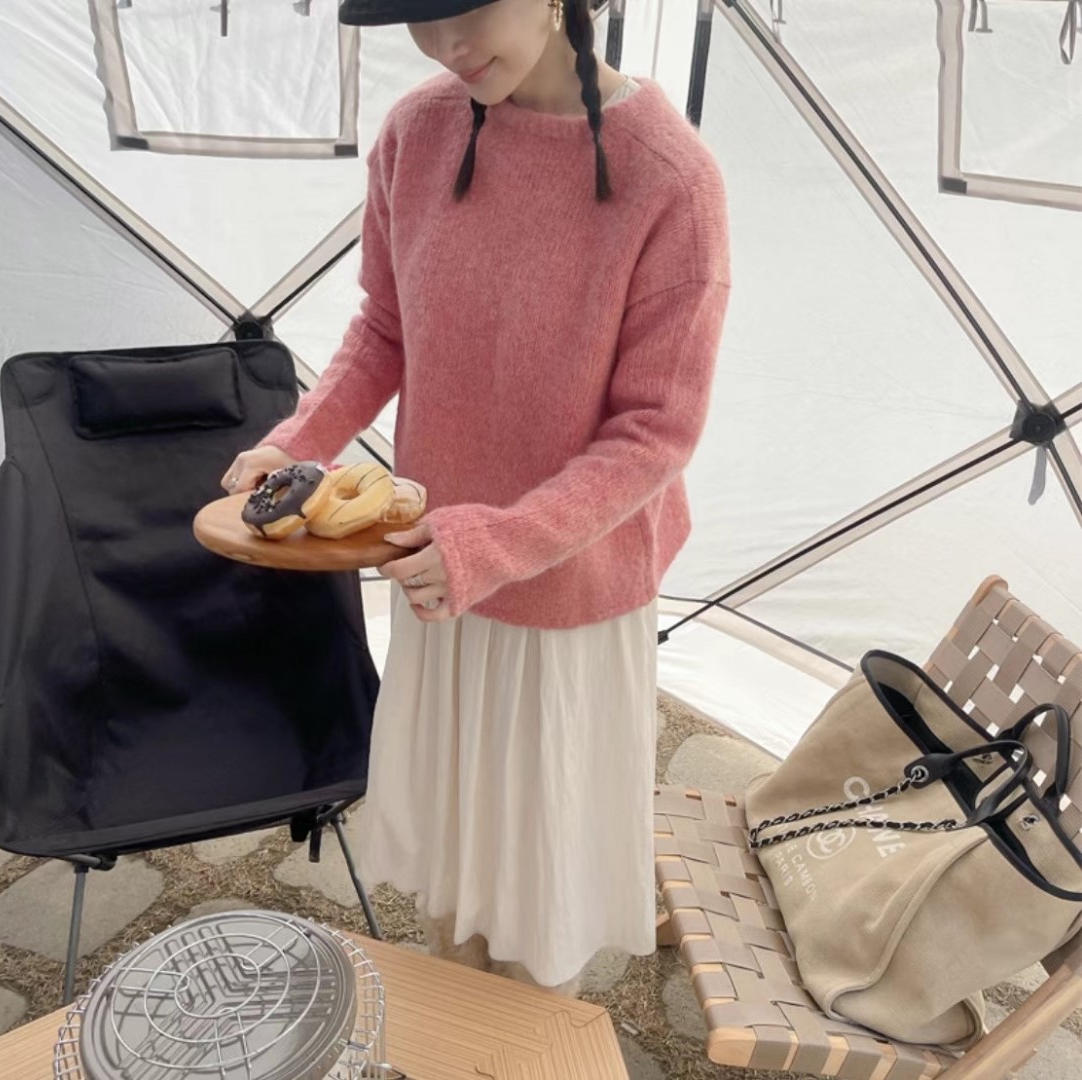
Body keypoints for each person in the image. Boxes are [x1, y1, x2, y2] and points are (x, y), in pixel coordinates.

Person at [221, 0, 730, 995]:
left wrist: (499, 543)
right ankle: (458, 1029)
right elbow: (386, 327)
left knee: (538, 892)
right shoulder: (416, 131)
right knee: (457, 862)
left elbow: (655, 431)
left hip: (568, 594)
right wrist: (294, 443)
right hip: (439, 572)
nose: (447, 43)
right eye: (419, 16)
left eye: (467, 4)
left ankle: (523, 1046)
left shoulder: (671, 178)